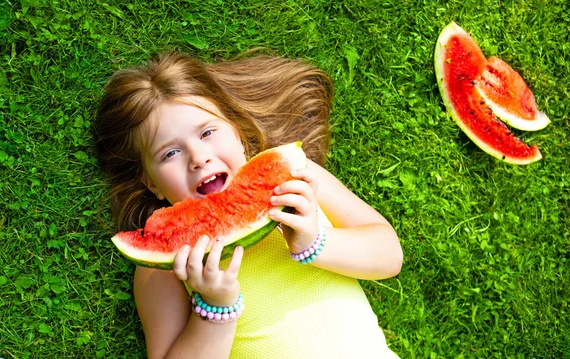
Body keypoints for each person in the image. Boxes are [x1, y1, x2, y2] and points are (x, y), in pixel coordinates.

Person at [94, 51, 403, 358]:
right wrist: (215, 307)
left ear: (237, 133)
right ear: (151, 184)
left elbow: (389, 254)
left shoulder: (298, 179)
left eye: (207, 132)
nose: (198, 158)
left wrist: (316, 241)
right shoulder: (162, 270)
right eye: (170, 153)